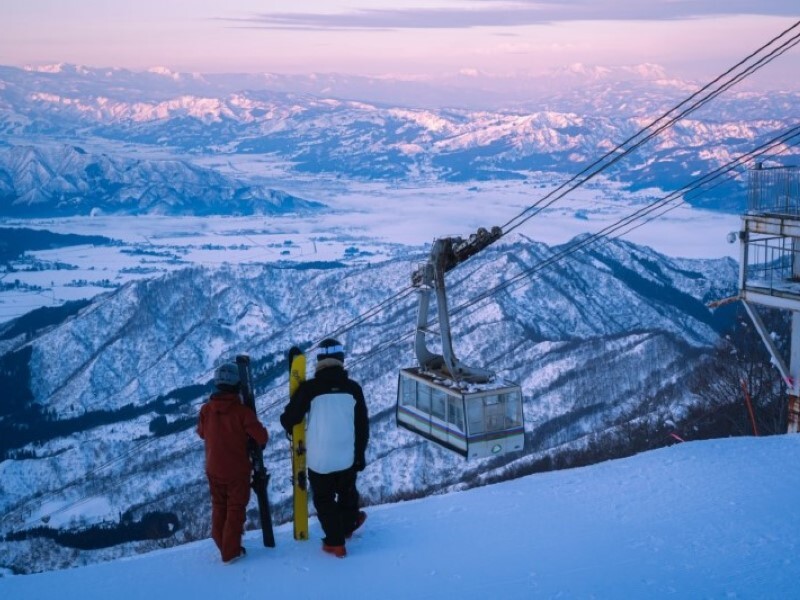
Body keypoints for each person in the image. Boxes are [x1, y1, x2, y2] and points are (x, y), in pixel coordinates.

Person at [280, 338, 369, 558]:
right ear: (341, 359)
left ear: (319, 360)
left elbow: (289, 419)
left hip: (319, 460)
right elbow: (362, 427)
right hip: (346, 455)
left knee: (324, 500)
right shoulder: (353, 389)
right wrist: (359, 455)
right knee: (347, 493)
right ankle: (347, 527)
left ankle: (335, 543)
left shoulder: (310, 389)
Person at [197, 362, 268, 564]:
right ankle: (230, 552)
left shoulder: (206, 410)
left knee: (219, 506)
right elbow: (261, 437)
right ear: (237, 385)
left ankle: (222, 541)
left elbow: (201, 433)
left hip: (213, 468)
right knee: (236, 508)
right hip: (237, 470)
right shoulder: (241, 412)